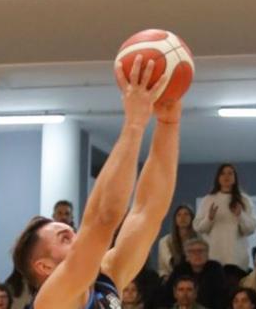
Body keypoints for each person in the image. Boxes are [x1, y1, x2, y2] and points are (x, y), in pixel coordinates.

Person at [11, 56, 182, 309]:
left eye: (72, 231)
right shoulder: (52, 299)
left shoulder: (107, 276)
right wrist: (134, 123)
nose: (77, 235)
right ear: (45, 267)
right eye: (64, 238)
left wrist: (168, 123)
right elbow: (103, 219)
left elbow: (148, 211)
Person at [194, 164, 256, 271]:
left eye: (230, 173)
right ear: (218, 178)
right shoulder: (208, 200)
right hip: (214, 255)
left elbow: (251, 229)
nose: (226, 176)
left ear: (235, 178)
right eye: (223, 173)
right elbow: (199, 228)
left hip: (237, 257)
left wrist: (240, 215)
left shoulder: (244, 200)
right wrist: (209, 218)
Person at [164, 238, 227, 309]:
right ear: (187, 256)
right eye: (192, 251)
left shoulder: (215, 268)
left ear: (207, 254)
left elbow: (221, 296)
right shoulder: (179, 269)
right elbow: (168, 294)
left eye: (200, 251)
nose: (197, 254)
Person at [159, 205, 199, 281]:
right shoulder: (164, 242)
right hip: (172, 279)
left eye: (186, 214)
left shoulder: (199, 239)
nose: (182, 218)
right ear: (175, 219)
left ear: (192, 218)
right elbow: (163, 268)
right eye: (179, 215)